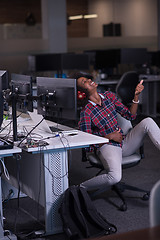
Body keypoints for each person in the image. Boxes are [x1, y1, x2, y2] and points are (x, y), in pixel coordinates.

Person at [72, 71, 160, 191]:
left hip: (124, 142)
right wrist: (109, 136)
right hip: (107, 146)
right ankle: (79, 189)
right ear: (81, 92)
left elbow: (130, 116)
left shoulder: (109, 96)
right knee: (115, 177)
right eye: (85, 82)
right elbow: (87, 145)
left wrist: (136, 95)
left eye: (87, 79)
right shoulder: (86, 112)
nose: (89, 80)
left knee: (148, 121)